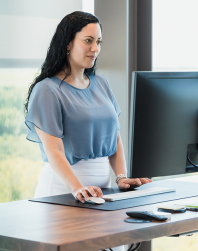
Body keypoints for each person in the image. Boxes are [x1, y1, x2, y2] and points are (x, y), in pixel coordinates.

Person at [25, 11, 152, 209]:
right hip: (63, 191)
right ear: (68, 44)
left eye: (99, 42)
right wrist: (77, 188)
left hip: (102, 193)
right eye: (88, 41)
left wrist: (121, 177)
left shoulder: (101, 84)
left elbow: (115, 138)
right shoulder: (47, 90)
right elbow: (54, 150)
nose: (95, 48)